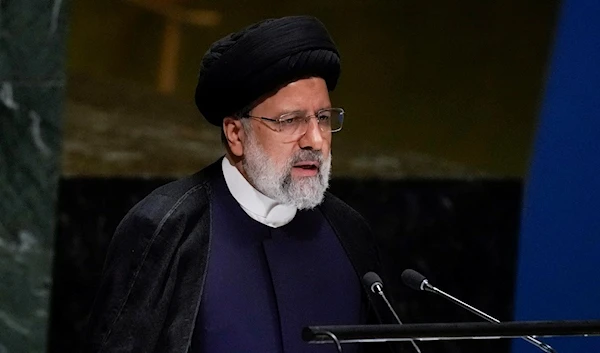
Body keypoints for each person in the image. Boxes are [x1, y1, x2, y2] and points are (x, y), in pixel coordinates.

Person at [84, 15, 385, 353]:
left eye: (323, 119)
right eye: (290, 121)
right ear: (236, 134)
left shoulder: (349, 233)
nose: (314, 139)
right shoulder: (168, 230)